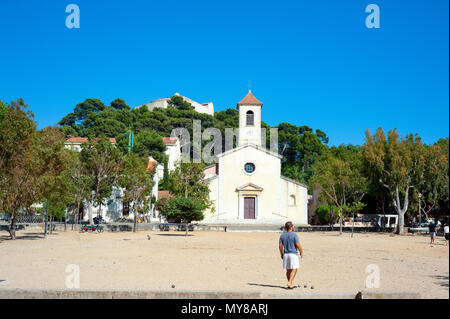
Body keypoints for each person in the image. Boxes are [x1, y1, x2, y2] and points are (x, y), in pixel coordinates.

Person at [279, 221, 303, 289]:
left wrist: (281, 254)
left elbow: (280, 246)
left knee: (288, 270)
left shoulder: (282, 235)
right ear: (292, 227)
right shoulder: (294, 235)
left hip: (286, 254)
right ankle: (289, 282)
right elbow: (297, 244)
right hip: (293, 254)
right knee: (294, 269)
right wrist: (301, 251)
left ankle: (290, 283)